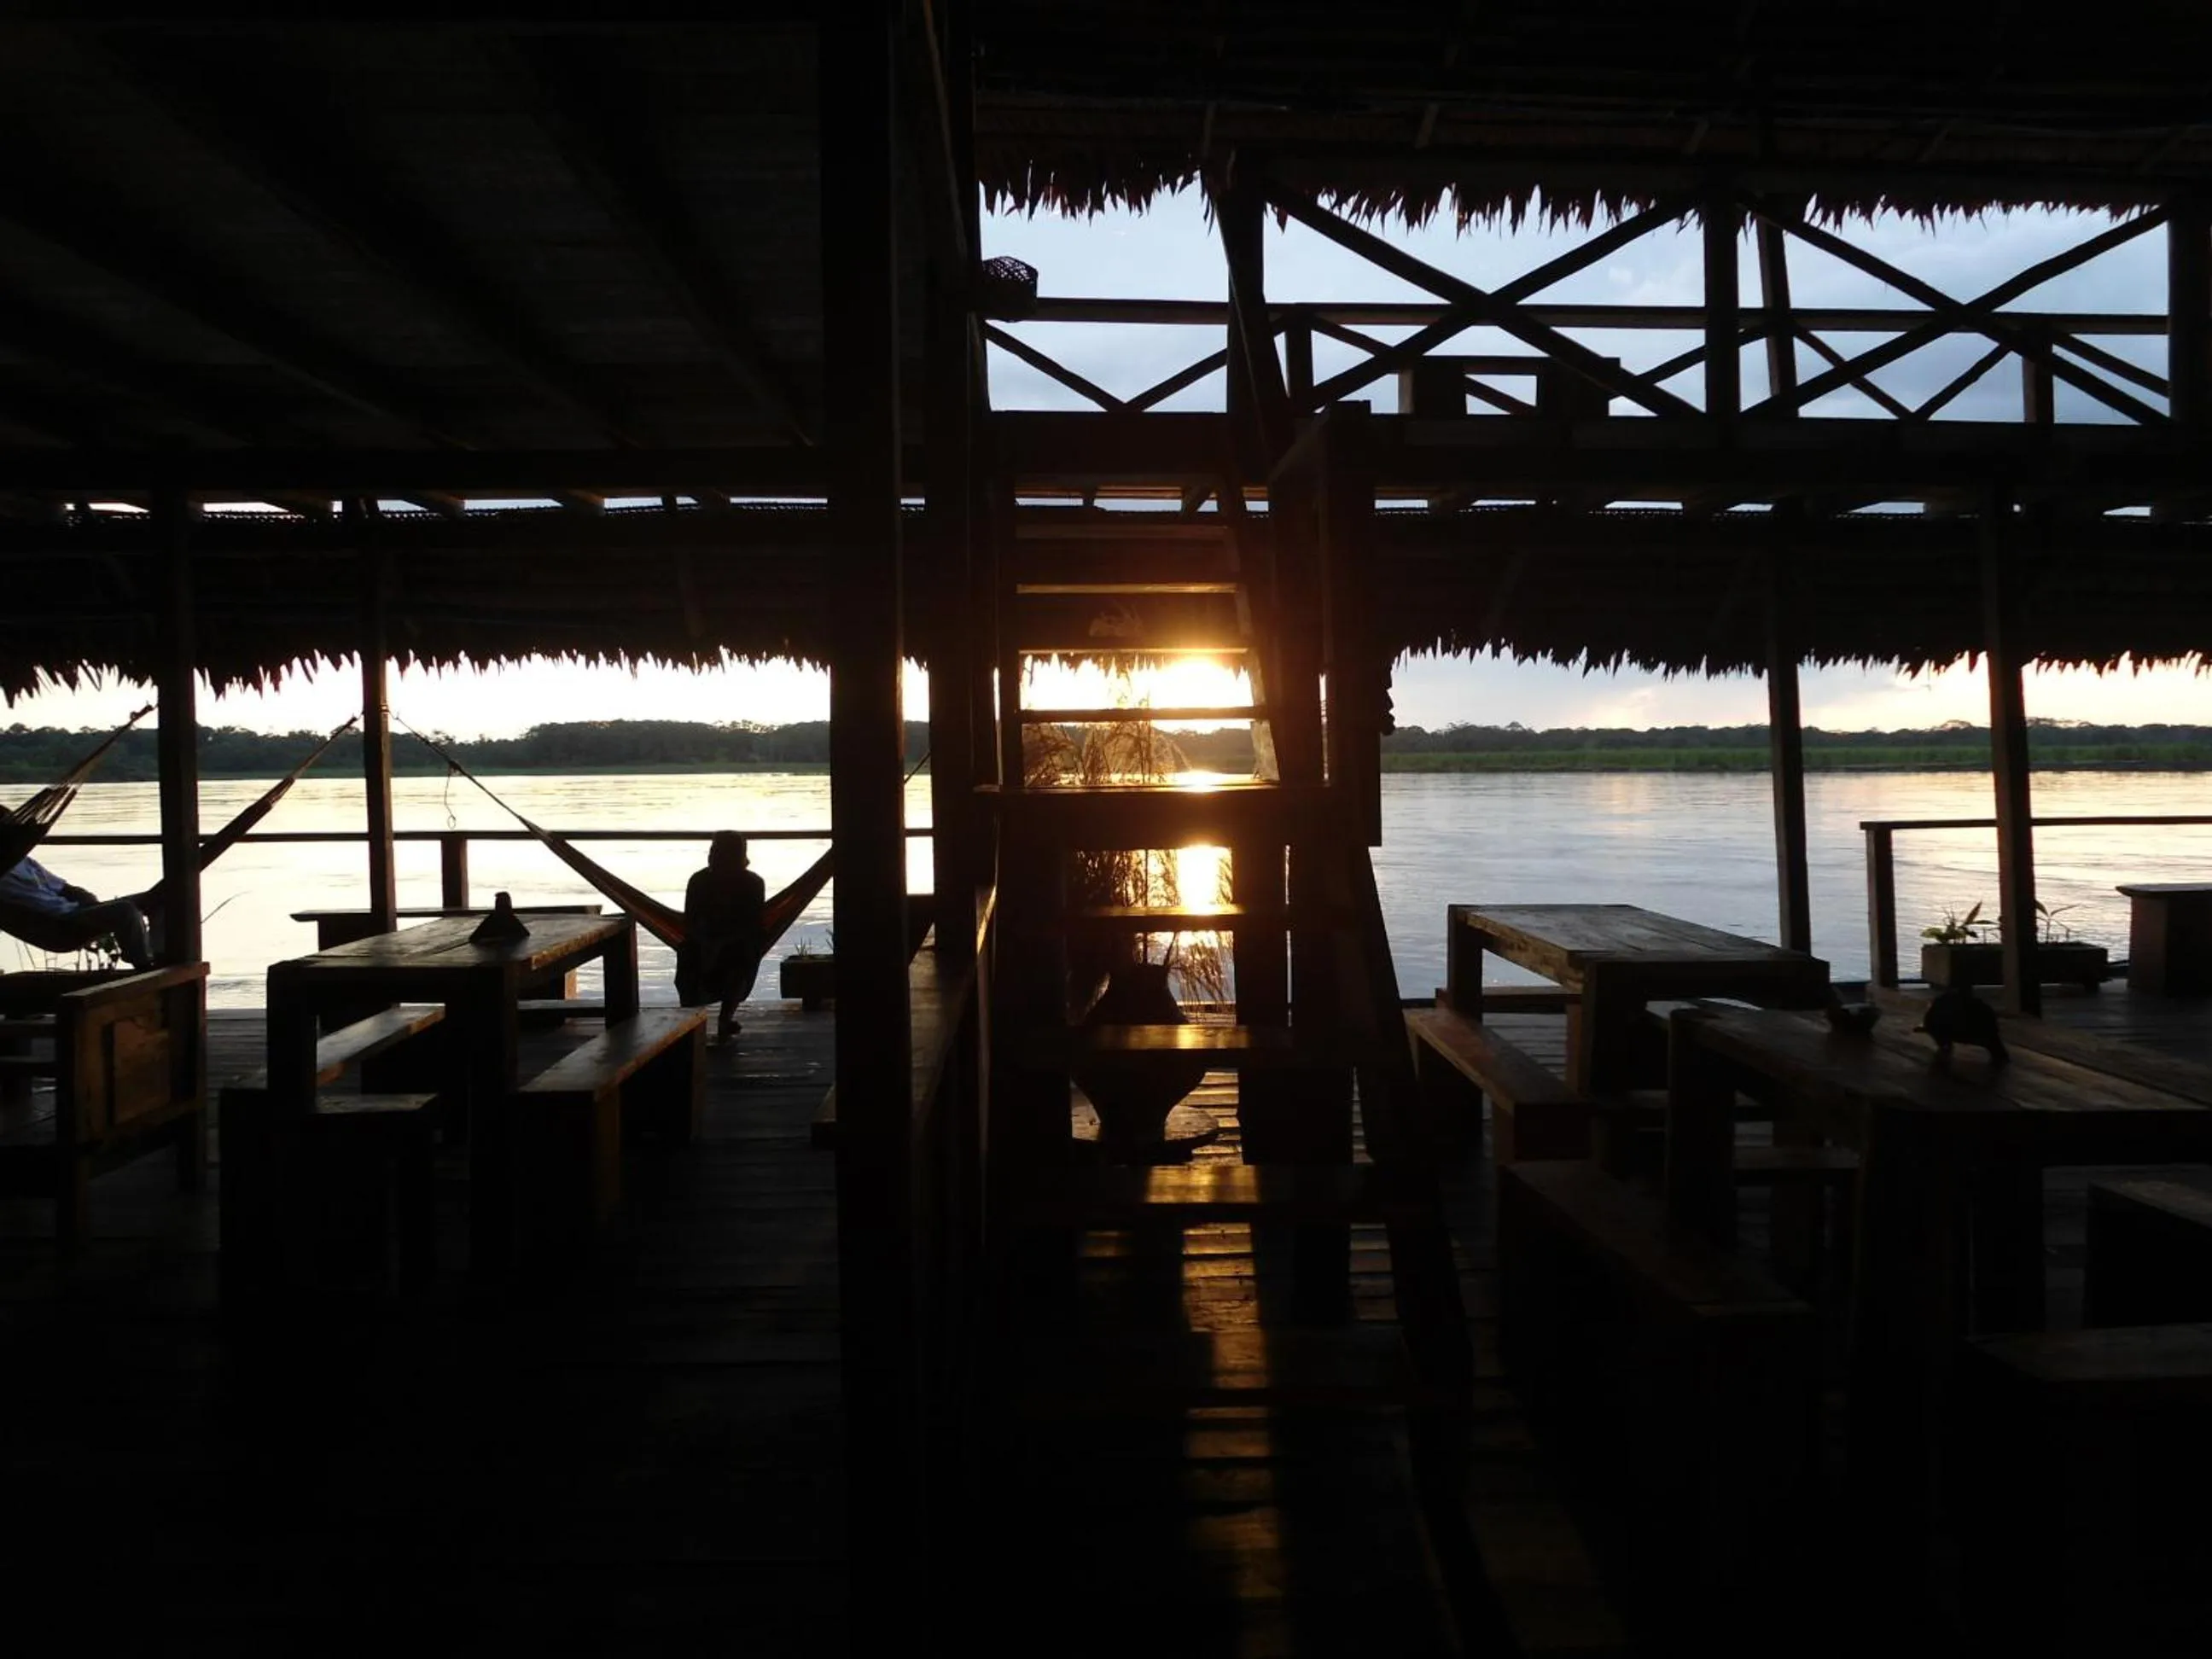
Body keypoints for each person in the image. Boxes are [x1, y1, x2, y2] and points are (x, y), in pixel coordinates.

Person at [677, 831, 766, 1042]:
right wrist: (707, 943)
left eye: (719, 852)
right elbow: (690, 921)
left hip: (736, 942)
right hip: (702, 940)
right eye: (713, 851)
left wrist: (721, 944)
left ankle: (725, 1019)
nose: (714, 856)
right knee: (687, 954)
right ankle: (690, 1020)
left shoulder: (753, 883)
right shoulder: (699, 881)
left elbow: (752, 925)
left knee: (740, 955)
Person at [0, 853, 154, 968]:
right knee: (125, 911)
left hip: (77, 911)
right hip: (59, 924)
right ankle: (144, 967)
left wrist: (90, 902)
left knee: (157, 896)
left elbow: (63, 887)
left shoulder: (23, 861)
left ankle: (159, 955)